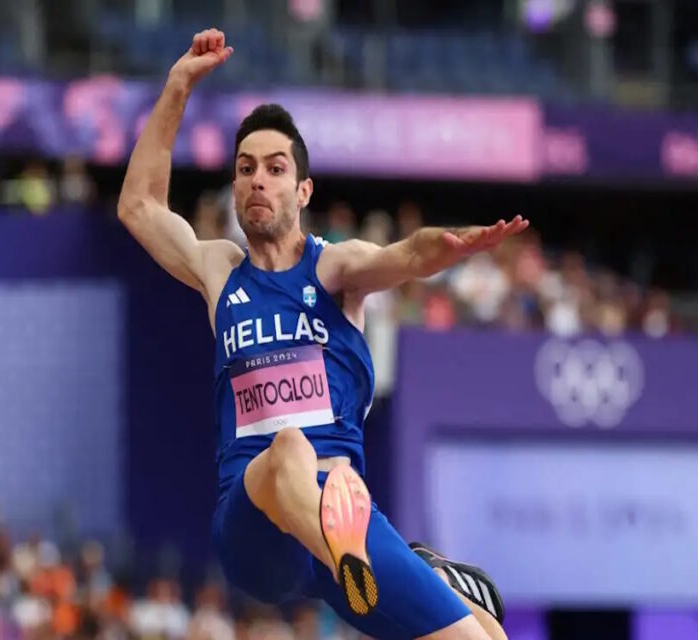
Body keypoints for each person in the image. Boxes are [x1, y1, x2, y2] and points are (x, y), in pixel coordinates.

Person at [117, 28, 529, 640]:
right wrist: (178, 84)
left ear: (303, 190)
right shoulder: (219, 270)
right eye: (245, 169)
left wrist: (450, 247)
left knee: (486, 638)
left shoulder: (334, 269)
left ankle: (393, 569)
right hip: (257, 525)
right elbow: (139, 207)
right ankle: (368, 563)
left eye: (275, 169)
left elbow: (405, 256)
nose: (258, 180)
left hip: (341, 504)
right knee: (289, 447)